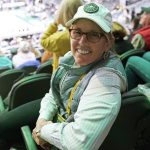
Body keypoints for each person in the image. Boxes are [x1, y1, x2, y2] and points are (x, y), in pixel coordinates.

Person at [32, 2, 127, 150]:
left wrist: (43, 130)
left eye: (94, 35)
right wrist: (42, 120)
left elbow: (79, 143)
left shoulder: (107, 79)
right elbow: (54, 93)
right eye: (77, 32)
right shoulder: (71, 57)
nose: (82, 41)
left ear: (108, 42)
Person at [40, 0, 83, 70]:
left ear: (63, 14)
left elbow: (43, 41)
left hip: (61, 76)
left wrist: (54, 23)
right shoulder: (88, 31)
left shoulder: (61, 38)